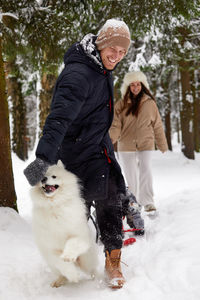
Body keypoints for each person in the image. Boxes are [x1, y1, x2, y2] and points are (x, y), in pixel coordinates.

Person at [24, 19, 131, 289]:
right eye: (113, 50)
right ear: (101, 44)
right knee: (74, 211)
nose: (117, 56)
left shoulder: (99, 65)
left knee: (110, 199)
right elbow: (58, 119)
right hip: (75, 155)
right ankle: (68, 261)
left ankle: (112, 259)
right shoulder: (79, 74)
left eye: (122, 52)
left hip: (97, 149)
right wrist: (41, 162)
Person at [109, 71, 168, 212]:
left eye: (138, 84)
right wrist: (111, 140)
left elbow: (157, 124)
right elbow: (115, 125)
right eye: (132, 85)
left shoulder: (150, 103)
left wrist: (162, 144)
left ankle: (147, 201)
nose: (135, 87)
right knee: (130, 174)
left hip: (146, 142)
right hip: (126, 144)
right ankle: (133, 201)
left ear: (142, 85)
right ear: (128, 87)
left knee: (145, 170)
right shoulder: (121, 104)